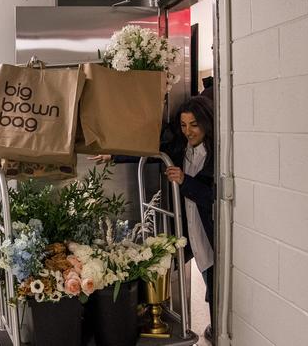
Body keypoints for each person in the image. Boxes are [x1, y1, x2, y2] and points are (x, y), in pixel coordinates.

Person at [90, 96, 215, 342]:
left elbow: (213, 198)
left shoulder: (217, 155)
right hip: (187, 231)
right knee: (164, 265)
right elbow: (150, 154)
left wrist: (184, 181)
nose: (188, 131)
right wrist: (112, 156)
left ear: (206, 125)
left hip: (209, 233)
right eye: (183, 125)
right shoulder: (180, 149)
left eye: (194, 125)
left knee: (214, 287)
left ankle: (217, 331)